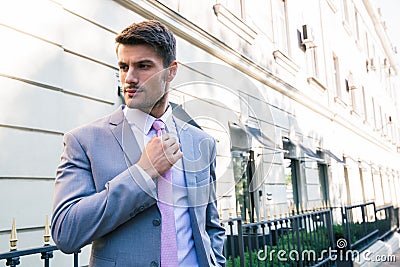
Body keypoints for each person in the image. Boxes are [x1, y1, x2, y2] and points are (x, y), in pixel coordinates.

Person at [51, 20, 226, 267]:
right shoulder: (83, 141)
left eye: (143, 66)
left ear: (171, 71)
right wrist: (142, 173)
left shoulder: (202, 142)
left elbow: (210, 224)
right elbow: (66, 232)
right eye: (123, 67)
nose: (129, 78)